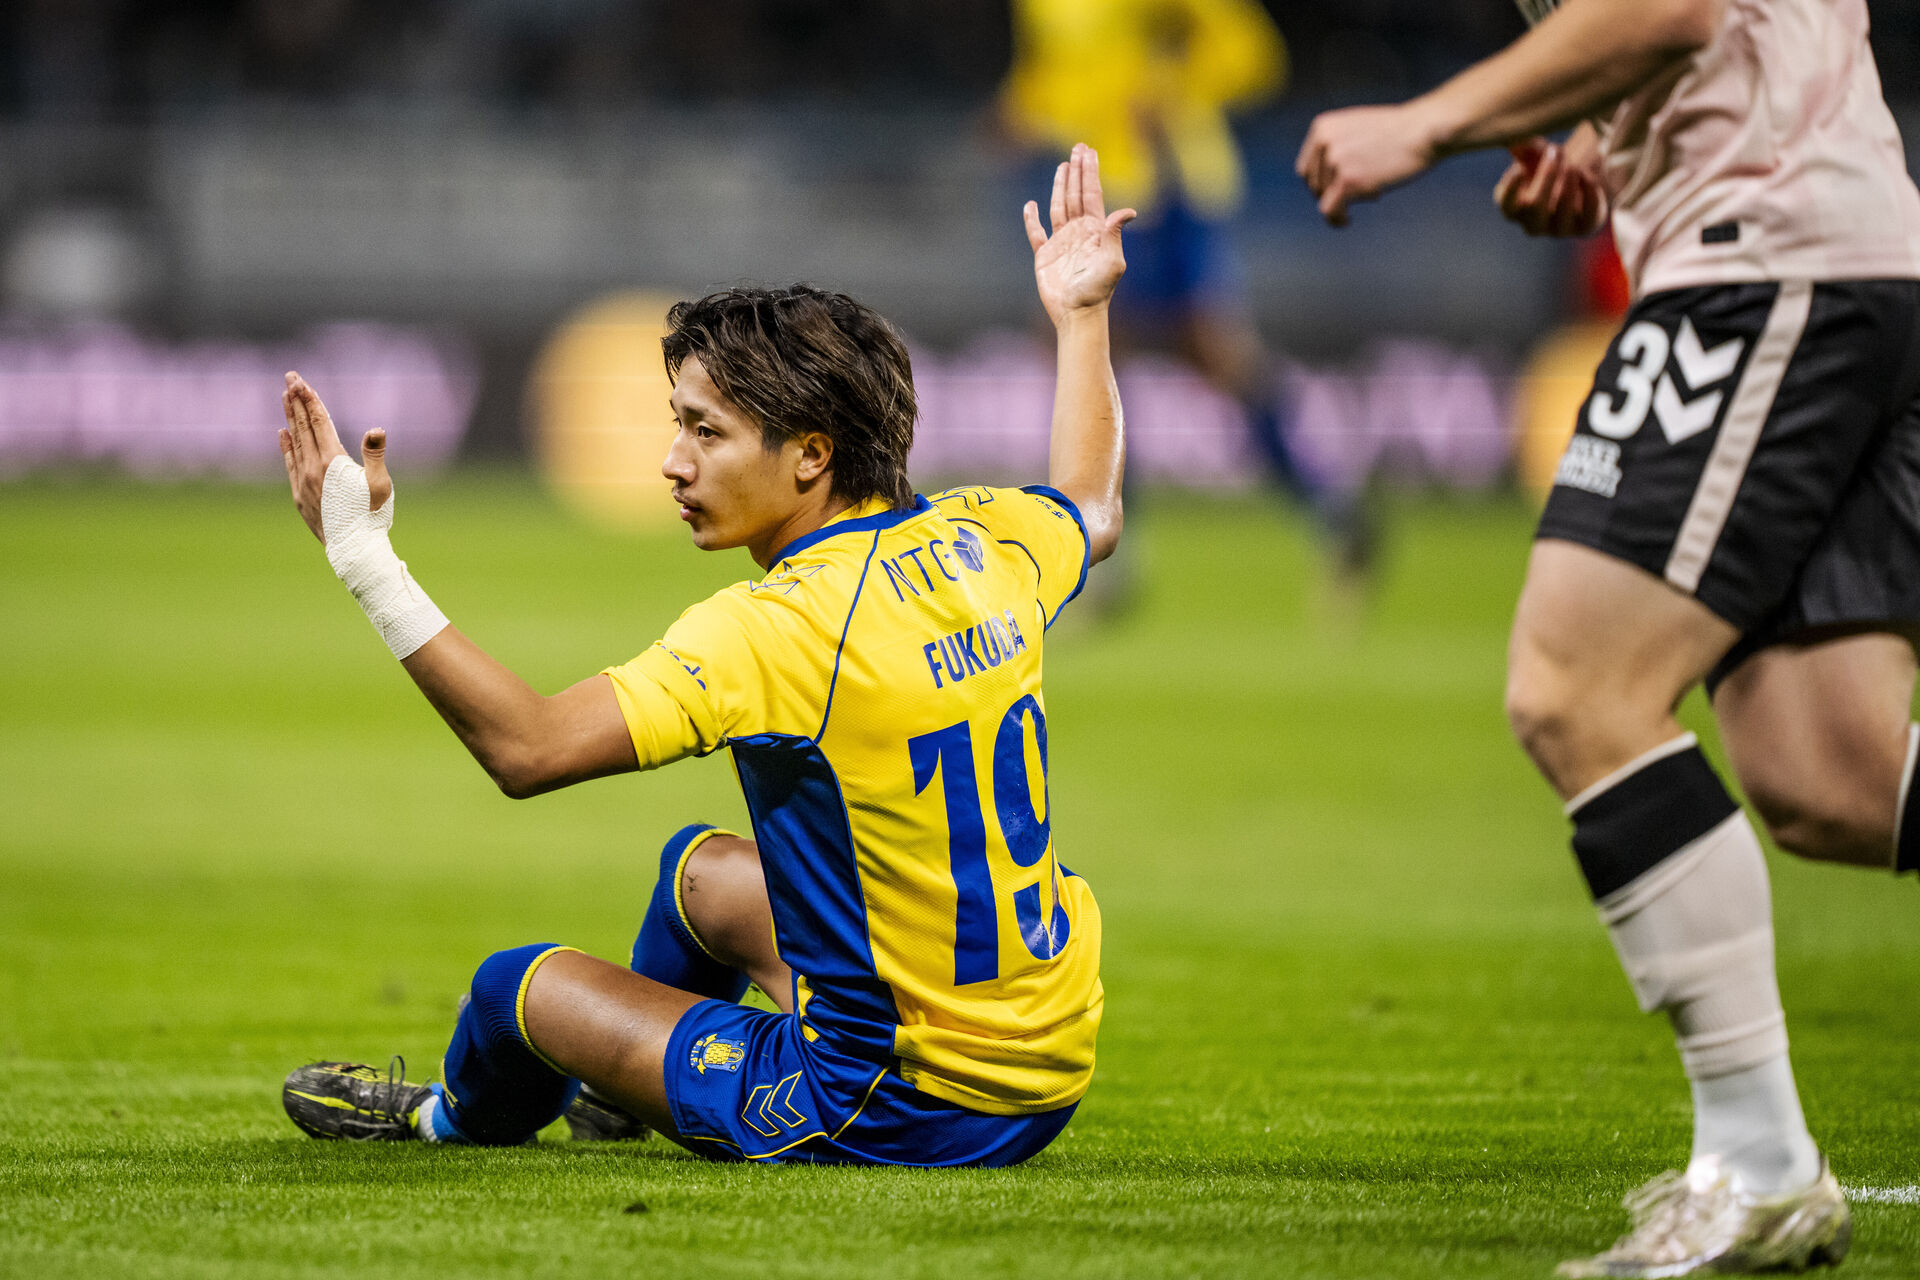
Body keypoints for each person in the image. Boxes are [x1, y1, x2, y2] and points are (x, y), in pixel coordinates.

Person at [275, 145, 1135, 1167]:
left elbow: (528, 748)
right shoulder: (983, 534)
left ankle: (443, 1119)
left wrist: (366, 561)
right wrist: (1082, 318)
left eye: (706, 431)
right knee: (705, 875)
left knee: (514, 988)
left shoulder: (777, 626)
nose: (674, 462)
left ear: (812, 452)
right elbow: (1094, 506)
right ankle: (635, 1088)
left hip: (896, 1101)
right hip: (1044, 1061)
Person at [1297, 0, 1920, 1273]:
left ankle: (1758, 1163)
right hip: (1833, 247)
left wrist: (1426, 122)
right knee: (1830, 775)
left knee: (1575, 687)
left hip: (1766, 259)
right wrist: (1606, 128)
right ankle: (1758, 1165)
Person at [1000, 0, 1377, 582]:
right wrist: (1018, 111)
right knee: (1101, 351)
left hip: (1166, 188)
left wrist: (1169, 87)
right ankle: (1326, 508)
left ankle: (1321, 504)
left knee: (1168, 349)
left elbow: (1252, 56)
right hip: (1095, 177)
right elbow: (1056, 73)